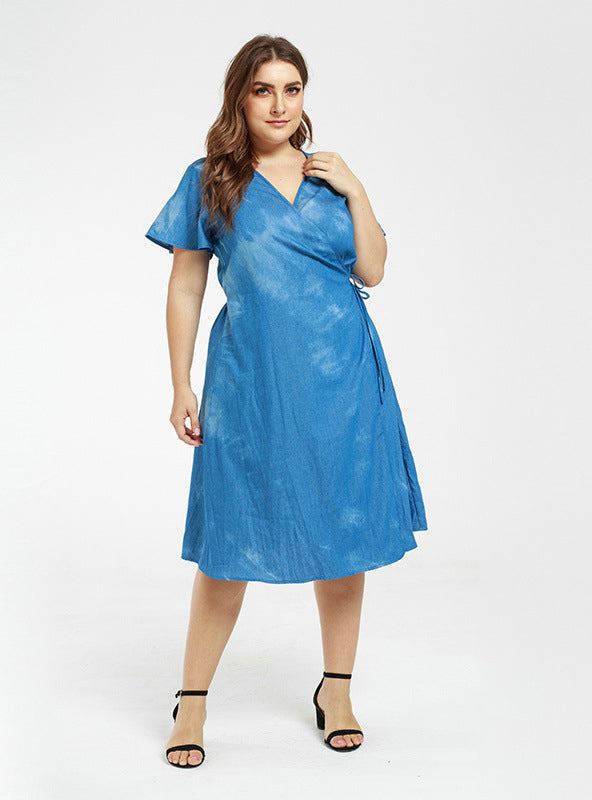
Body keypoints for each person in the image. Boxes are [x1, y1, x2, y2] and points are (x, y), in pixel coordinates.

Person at [145, 34, 428, 769]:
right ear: (240, 97)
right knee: (229, 543)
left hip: (343, 382)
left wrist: (358, 190)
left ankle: (337, 691)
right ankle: (192, 700)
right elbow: (186, 284)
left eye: (292, 89)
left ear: (305, 96)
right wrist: (180, 382)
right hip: (252, 385)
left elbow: (373, 269)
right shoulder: (211, 179)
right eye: (263, 89)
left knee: (343, 537)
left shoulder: (329, 177)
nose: (279, 104)